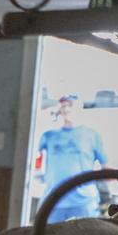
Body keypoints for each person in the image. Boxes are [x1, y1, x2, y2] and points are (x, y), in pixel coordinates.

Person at [37, 94, 108, 223]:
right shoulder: (48, 135)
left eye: (70, 104)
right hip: (54, 201)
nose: (66, 108)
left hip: (84, 202)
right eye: (63, 105)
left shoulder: (92, 135)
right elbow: (33, 161)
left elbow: (106, 168)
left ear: (79, 107)